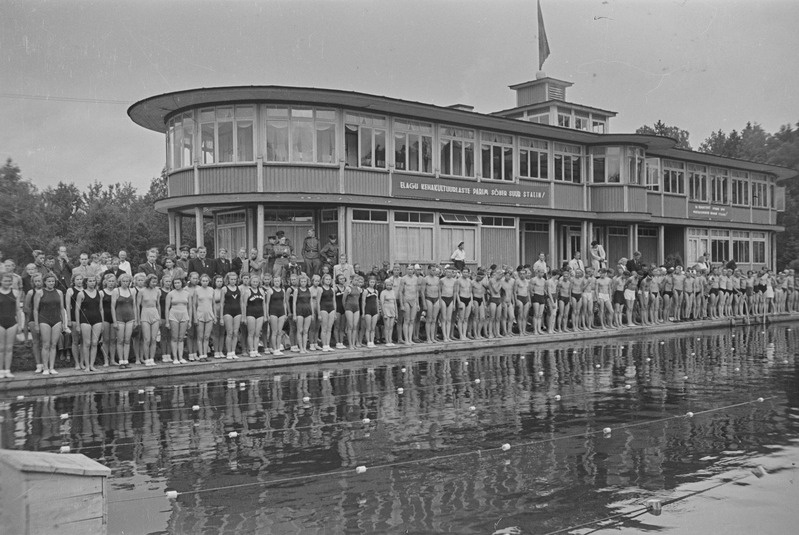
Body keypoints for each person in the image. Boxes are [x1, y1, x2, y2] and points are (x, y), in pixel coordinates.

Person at [33, 273, 67, 376]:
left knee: (53, 345)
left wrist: (64, 322)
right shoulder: (39, 293)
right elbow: (35, 310)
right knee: (46, 344)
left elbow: (62, 308)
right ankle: (45, 367)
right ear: (45, 282)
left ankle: (52, 367)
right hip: (44, 320)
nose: (51, 283)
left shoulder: (59, 292)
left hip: (57, 320)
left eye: (53, 281)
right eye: (49, 281)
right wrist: (36, 324)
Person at [111, 273, 138, 368]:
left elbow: (134, 306)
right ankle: (121, 361)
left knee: (127, 340)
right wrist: (114, 321)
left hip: (130, 317)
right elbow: (112, 307)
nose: (125, 283)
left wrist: (136, 319)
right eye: (123, 281)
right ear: (120, 281)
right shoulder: (116, 290)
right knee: (120, 340)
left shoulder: (132, 291)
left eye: (127, 281)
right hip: (119, 318)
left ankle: (126, 360)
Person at [0, 272, 22, 378]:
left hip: (12, 323)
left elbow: (18, 310)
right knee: (1, 348)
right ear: (1, 281)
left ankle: (7, 370)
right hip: (0, 323)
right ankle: (0, 370)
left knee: (9, 348)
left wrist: (20, 324)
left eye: (9, 281)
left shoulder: (15, 292)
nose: (7, 282)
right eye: (5, 280)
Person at [165, 277, 191, 364]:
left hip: (184, 315)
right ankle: (175, 358)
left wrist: (189, 320)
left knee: (181, 338)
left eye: (178, 283)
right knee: (174, 337)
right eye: (175, 283)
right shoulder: (170, 294)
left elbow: (190, 308)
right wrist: (167, 321)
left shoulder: (187, 294)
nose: (177, 284)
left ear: (182, 283)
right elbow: (166, 308)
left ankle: (181, 357)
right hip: (173, 315)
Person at [137, 274, 161, 367]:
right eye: (152, 282)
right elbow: (137, 305)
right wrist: (138, 319)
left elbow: (158, 304)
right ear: (148, 281)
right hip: (145, 313)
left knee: (154, 339)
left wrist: (159, 316)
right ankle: (146, 359)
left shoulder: (157, 291)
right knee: (147, 339)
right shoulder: (142, 291)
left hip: (154, 313)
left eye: (156, 282)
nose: (154, 283)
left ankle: (152, 358)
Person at [220, 272, 243, 359]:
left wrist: (242, 315)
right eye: (231, 279)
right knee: (229, 332)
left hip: (237, 312)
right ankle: (228, 352)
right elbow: (222, 304)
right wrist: (221, 318)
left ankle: (233, 351)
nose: (233, 281)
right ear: (228, 280)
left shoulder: (239, 289)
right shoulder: (224, 289)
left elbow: (241, 302)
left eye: (234, 279)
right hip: (228, 312)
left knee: (235, 332)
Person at [266, 276, 288, 356]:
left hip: (281, 312)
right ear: (273, 282)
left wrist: (285, 313)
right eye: (275, 281)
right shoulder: (270, 291)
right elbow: (267, 303)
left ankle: (278, 348)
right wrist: (267, 314)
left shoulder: (283, 290)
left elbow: (284, 302)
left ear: (280, 282)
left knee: (279, 332)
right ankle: (274, 349)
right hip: (273, 312)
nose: (277, 283)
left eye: (278, 281)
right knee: (274, 332)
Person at [380, 278, 397, 347]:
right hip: (386, 309)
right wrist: (384, 313)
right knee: (387, 326)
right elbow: (382, 303)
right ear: (385, 285)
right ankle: (387, 340)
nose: (389, 286)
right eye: (387, 285)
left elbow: (395, 303)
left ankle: (390, 340)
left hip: (392, 309)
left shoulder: (393, 292)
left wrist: (396, 313)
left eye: (390, 285)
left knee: (391, 326)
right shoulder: (383, 292)